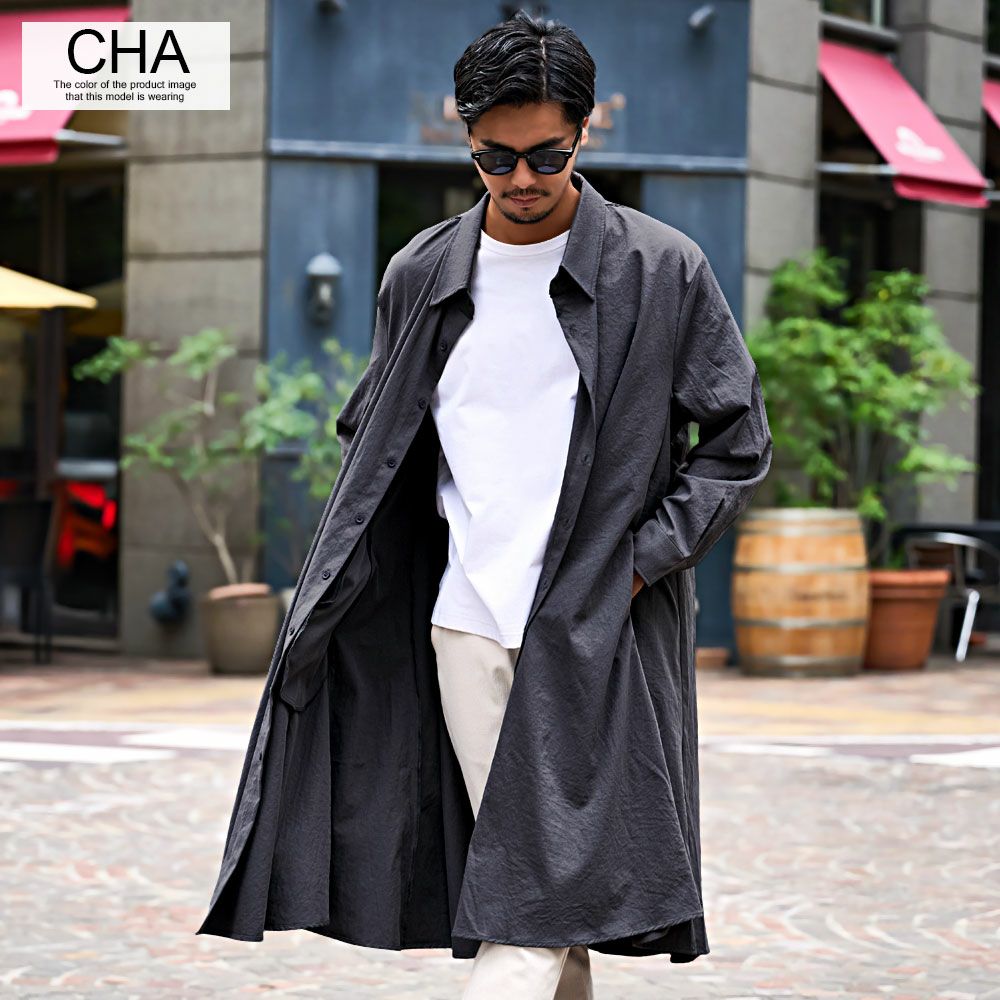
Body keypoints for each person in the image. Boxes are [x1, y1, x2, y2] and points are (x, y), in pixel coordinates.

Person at [196, 9, 772, 995]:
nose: (521, 179)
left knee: (527, 906)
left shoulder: (658, 269)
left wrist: (637, 565)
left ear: (585, 131)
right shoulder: (421, 274)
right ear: (465, 136)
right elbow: (378, 431)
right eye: (494, 158)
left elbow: (737, 442)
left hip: (596, 632)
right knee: (540, 897)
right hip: (464, 624)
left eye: (546, 154)